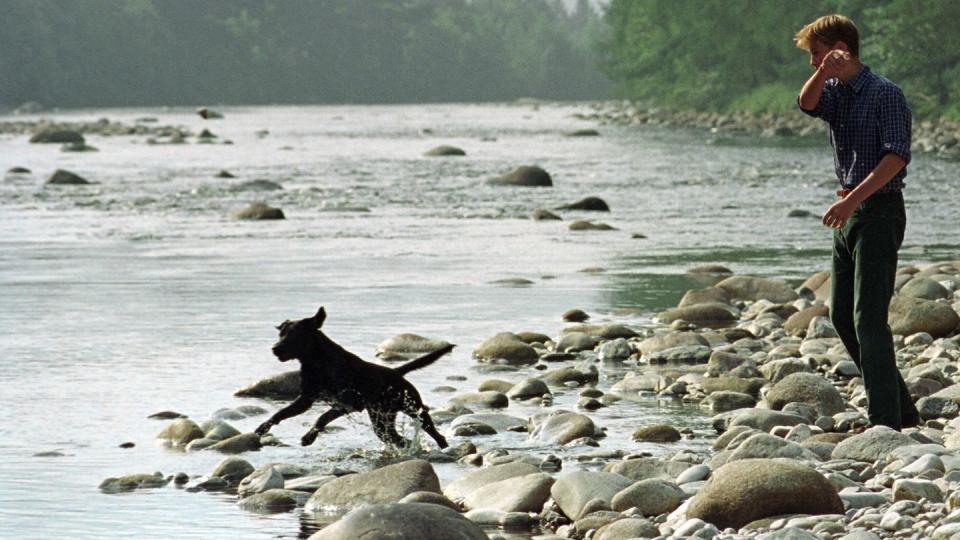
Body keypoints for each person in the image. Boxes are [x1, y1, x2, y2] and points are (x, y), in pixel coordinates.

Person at [795, 14, 920, 431]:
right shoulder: (833, 91)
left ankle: (885, 421)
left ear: (841, 49)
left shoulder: (885, 94)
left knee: (869, 318)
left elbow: (896, 157)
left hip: (879, 212)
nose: (813, 63)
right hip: (849, 212)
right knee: (843, 316)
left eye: (817, 54)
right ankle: (901, 408)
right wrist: (822, 74)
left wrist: (852, 201)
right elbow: (806, 103)